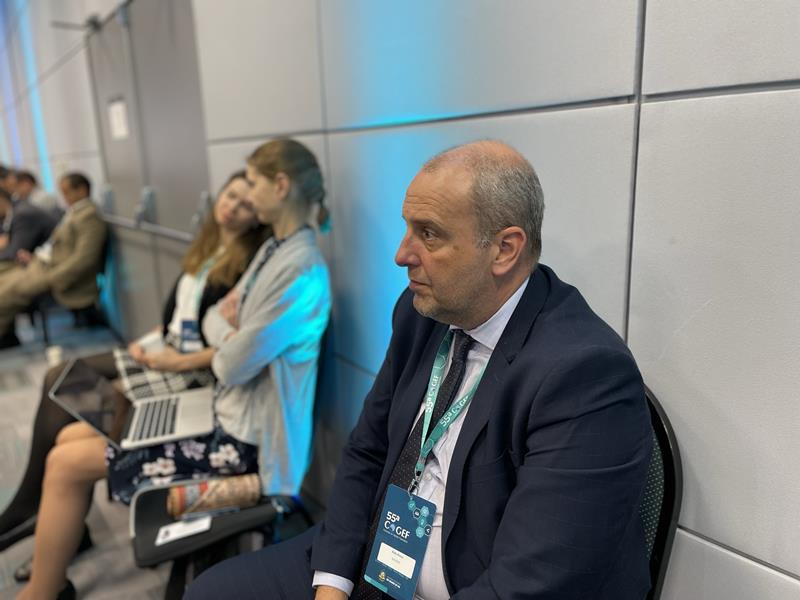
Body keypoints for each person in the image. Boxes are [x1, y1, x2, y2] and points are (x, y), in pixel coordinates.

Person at [186, 140, 654, 600]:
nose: (402, 254)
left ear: (504, 249)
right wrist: (332, 584)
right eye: (408, 228)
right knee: (211, 593)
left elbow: (532, 582)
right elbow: (367, 451)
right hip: (379, 560)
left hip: (470, 585)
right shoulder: (423, 314)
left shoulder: (584, 374)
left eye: (429, 234)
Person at [13, 139, 331, 600]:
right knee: (68, 436)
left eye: (253, 184)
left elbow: (232, 364)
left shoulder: (299, 270)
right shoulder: (275, 252)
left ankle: (41, 591)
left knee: (65, 463)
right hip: (223, 415)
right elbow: (213, 319)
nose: (245, 195)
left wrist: (227, 335)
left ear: (280, 186)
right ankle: (49, 563)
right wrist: (229, 331)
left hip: (247, 448)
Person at [0, 170, 266, 563]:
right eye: (230, 196)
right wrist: (147, 342)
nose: (232, 207)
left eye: (245, 204)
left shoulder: (247, 266)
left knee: (71, 390)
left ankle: (39, 508)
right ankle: (48, 511)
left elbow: (224, 346)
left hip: (188, 369)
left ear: (259, 213)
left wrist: (168, 359)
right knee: (62, 379)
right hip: (167, 351)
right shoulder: (208, 248)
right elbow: (180, 317)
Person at [0, 172, 106, 349]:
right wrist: (35, 257)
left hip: (51, 271)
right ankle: (6, 333)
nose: (64, 197)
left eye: (67, 192)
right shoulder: (75, 213)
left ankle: (4, 337)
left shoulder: (88, 216)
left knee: (5, 294)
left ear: (82, 190)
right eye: (62, 192)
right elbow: (56, 246)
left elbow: (84, 258)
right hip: (42, 265)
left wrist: (54, 277)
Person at [0, 187, 59, 274]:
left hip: (50, 265)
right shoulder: (14, 211)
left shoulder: (23, 214)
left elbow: (15, 254)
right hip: (39, 262)